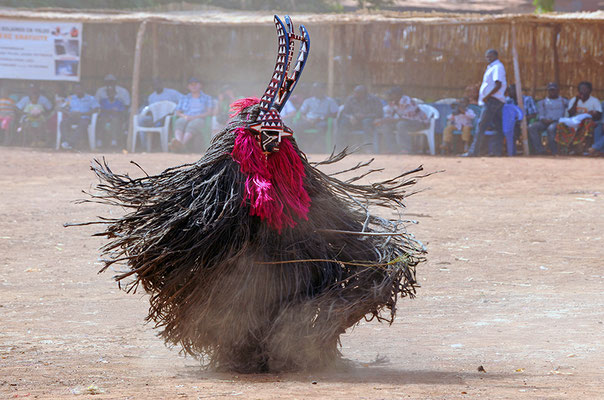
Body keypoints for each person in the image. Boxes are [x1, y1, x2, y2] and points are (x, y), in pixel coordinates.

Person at [76, 16, 422, 373]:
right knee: (242, 320)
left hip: (289, 264)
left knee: (297, 294)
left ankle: (296, 351)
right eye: (265, 138)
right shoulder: (222, 183)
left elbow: (319, 210)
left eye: (278, 138)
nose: (273, 144)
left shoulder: (294, 182)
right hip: (239, 279)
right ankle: (246, 354)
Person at [463, 49, 507, 157]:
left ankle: (473, 151)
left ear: (496, 56)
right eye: (487, 56)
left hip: (492, 100)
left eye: (490, 56)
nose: (488, 58)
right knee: (497, 126)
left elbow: (498, 84)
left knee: (481, 125)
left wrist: (487, 97)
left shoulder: (497, 67)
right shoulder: (492, 67)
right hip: (494, 100)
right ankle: (496, 152)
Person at [555, 81, 602, 155]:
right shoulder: (574, 100)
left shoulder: (594, 101)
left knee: (588, 122)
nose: (583, 91)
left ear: (590, 90)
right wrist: (577, 100)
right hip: (575, 122)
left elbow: (599, 115)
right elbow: (570, 113)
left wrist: (593, 113)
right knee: (561, 125)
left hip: (588, 122)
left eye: (585, 89)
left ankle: (586, 148)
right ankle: (566, 148)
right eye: (581, 89)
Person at [169, 77, 214, 152]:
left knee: (193, 124)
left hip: (199, 118)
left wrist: (195, 117)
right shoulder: (184, 98)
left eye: (196, 84)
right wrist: (184, 116)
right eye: (191, 84)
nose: (194, 86)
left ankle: (181, 144)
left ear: (200, 85)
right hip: (186, 117)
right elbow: (177, 111)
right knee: (179, 122)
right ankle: (178, 142)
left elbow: (209, 112)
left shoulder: (207, 98)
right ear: (188, 87)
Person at [294, 82, 338, 152]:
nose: (316, 91)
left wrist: (321, 118)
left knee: (322, 128)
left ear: (323, 90)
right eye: (315, 89)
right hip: (308, 120)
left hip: (321, 121)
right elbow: (302, 113)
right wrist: (307, 120)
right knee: (297, 126)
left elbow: (335, 114)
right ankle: (301, 148)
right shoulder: (308, 101)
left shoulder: (330, 101)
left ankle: (318, 149)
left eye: (318, 89)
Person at [336, 85, 383, 151]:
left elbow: (379, 113)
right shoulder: (351, 99)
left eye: (358, 92)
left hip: (369, 121)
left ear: (365, 93)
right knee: (343, 122)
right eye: (355, 92)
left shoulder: (373, 99)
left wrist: (365, 116)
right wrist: (351, 116)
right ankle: (342, 148)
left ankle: (368, 148)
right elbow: (344, 112)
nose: (356, 94)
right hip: (354, 121)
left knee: (366, 121)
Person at [528, 82, 568, 155]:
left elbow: (567, 113)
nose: (552, 92)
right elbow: (540, 114)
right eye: (550, 90)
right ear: (548, 91)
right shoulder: (542, 102)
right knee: (532, 127)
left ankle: (554, 151)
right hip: (545, 121)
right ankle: (540, 150)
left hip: (558, 121)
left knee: (551, 128)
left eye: (554, 90)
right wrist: (543, 119)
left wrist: (557, 120)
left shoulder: (564, 101)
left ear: (558, 91)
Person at [60, 83, 100, 150]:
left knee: (83, 124)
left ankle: (70, 143)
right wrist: (69, 113)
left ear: (84, 89)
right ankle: (66, 141)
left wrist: (83, 114)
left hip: (83, 117)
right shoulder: (70, 98)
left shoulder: (90, 98)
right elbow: (61, 108)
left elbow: (96, 109)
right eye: (76, 89)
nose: (78, 91)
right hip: (72, 117)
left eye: (79, 89)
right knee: (63, 123)